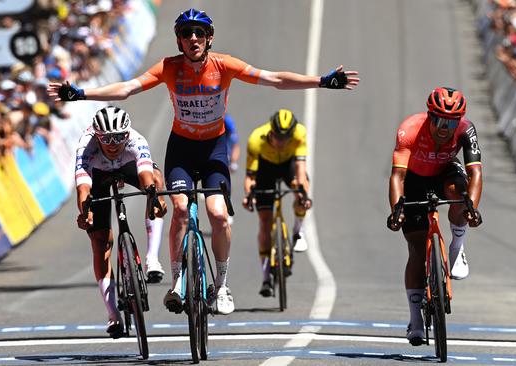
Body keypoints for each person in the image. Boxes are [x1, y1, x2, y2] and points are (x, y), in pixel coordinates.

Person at [49, 8, 360, 315]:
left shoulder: (224, 66)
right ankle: (178, 282)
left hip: (214, 149)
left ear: (209, 38)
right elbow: (128, 88)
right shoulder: (170, 67)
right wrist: (81, 94)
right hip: (181, 149)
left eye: (199, 33)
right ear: (179, 41)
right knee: (181, 209)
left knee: (218, 214)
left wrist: (322, 81)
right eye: (186, 34)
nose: (193, 38)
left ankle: (221, 285)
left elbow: (275, 79)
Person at [386, 87, 483, 346]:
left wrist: (471, 206)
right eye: (440, 120)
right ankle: (415, 320)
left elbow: (475, 173)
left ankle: (457, 247)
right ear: (429, 116)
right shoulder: (409, 129)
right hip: (414, 179)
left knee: (458, 193)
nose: (445, 127)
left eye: (451, 122)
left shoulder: (466, 129)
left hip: (445, 172)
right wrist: (396, 209)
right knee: (417, 249)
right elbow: (398, 176)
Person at [75, 105, 167, 338]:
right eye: (106, 138)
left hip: (128, 167)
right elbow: (83, 187)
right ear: (97, 135)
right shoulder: (86, 146)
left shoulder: (136, 140)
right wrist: (85, 212)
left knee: (155, 183)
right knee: (100, 241)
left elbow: (146, 175)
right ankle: (113, 314)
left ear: (127, 134)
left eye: (119, 137)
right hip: (98, 176)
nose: (113, 143)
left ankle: (152, 258)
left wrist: (152, 196)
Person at [242, 109, 313, 297]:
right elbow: (250, 177)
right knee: (265, 222)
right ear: (270, 132)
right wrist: (249, 195)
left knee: (300, 189)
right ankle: (266, 278)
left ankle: (298, 230)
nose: (282, 142)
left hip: (288, 165)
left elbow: (300, 169)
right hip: (265, 169)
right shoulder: (256, 139)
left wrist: (303, 194)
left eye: (286, 137)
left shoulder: (299, 133)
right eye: (278, 137)